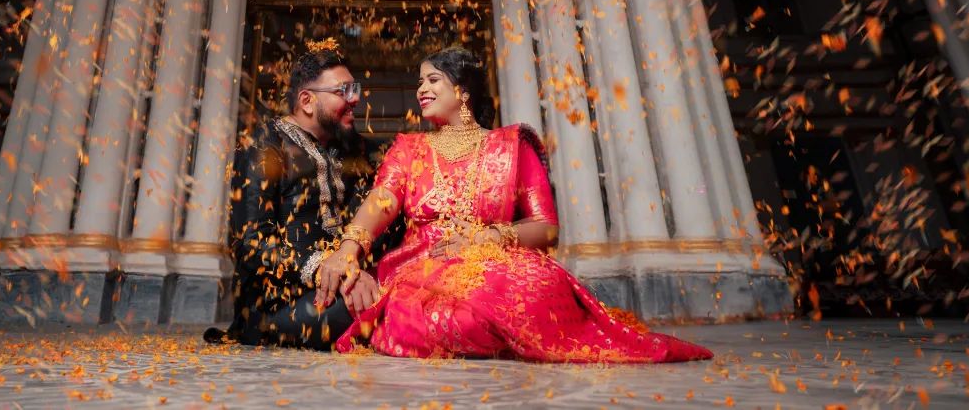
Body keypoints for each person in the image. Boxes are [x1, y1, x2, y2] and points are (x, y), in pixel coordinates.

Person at [314, 46, 713, 363]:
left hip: (495, 260)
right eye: (420, 81)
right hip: (425, 265)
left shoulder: (510, 145)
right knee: (432, 317)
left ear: (463, 90)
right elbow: (379, 204)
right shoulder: (409, 149)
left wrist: (486, 238)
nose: (422, 89)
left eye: (433, 80)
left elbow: (547, 227)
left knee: (541, 290)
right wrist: (348, 251)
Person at [205, 40, 384, 349]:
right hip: (278, 303)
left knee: (402, 291)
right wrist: (327, 270)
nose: (354, 100)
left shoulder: (352, 148)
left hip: (346, 283)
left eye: (355, 90)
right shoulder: (263, 147)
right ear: (307, 101)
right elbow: (252, 244)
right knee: (377, 310)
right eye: (343, 92)